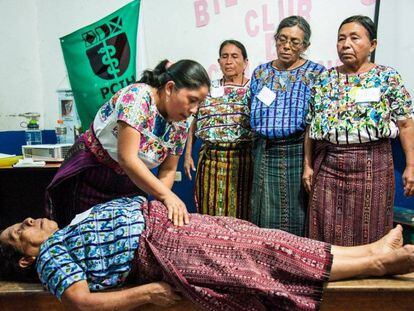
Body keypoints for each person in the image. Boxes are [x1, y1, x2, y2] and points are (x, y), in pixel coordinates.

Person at [1, 197, 414, 311]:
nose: (29, 222)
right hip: (160, 248)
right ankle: (377, 262)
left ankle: (367, 249)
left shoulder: (68, 230)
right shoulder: (52, 255)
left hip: (168, 225)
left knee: (263, 236)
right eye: (20, 231)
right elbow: (79, 300)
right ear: (25, 258)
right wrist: (148, 295)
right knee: (265, 258)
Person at [46, 59, 210, 227]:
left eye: (200, 104)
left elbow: (168, 169)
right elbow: (127, 158)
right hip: (92, 174)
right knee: (83, 233)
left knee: (125, 237)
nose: (194, 110)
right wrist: (168, 196)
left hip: (132, 183)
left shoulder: (180, 125)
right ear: (169, 88)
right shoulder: (138, 98)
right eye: (192, 100)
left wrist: (158, 204)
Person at [304, 15, 414, 246]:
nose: (346, 44)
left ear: (372, 44)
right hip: (329, 166)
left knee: (370, 230)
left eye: (355, 38)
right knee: (325, 229)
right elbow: (310, 127)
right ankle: (330, 278)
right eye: (341, 39)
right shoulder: (324, 80)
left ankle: (369, 279)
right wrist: (307, 166)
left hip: (373, 165)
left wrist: (411, 166)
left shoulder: (387, 77)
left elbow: (406, 124)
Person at [249, 16, 325, 235]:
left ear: (305, 46)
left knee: (297, 212)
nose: (287, 45)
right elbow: (251, 109)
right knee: (262, 212)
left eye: (295, 41)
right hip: (264, 151)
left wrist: (308, 164)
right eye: (282, 39)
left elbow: (316, 119)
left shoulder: (316, 74)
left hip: (298, 150)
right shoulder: (261, 73)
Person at [184, 40, 253, 219]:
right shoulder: (208, 89)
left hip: (243, 159)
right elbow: (194, 120)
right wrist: (187, 154)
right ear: (219, 61)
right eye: (224, 56)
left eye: (234, 56)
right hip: (210, 159)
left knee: (242, 212)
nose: (229, 61)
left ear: (245, 62)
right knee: (210, 211)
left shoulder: (254, 89)